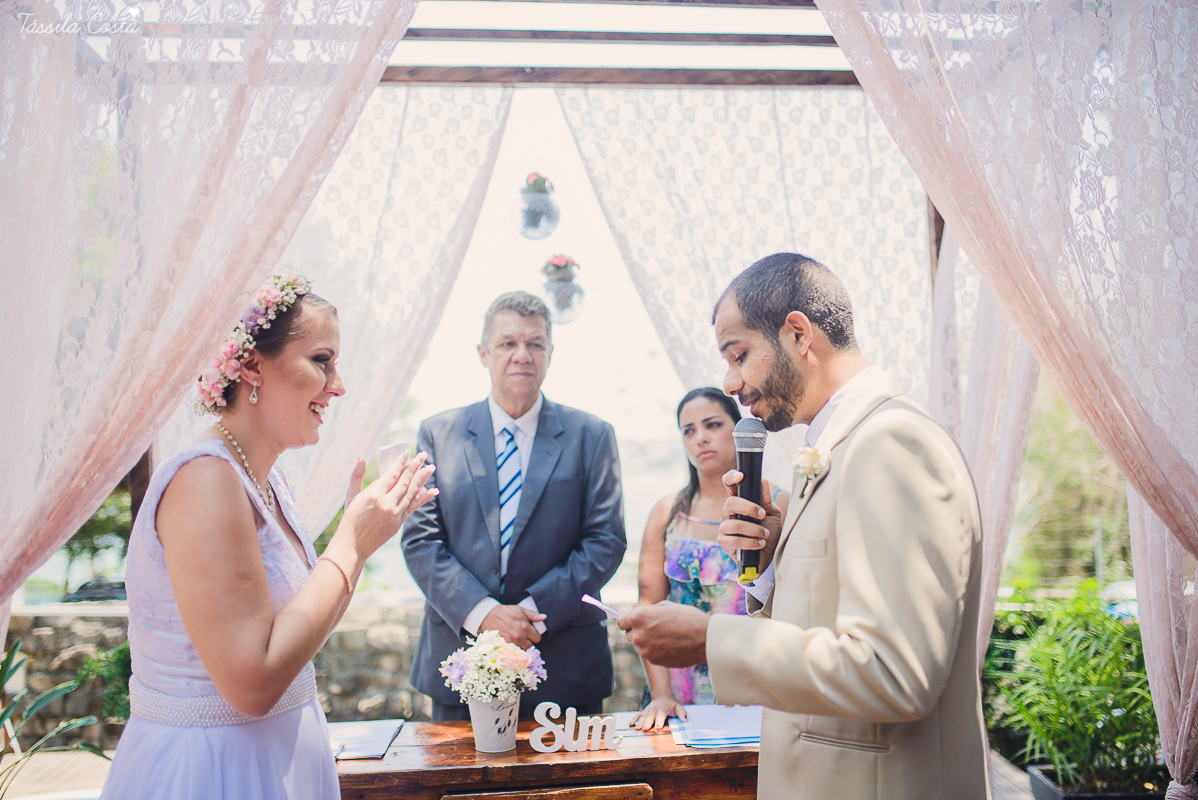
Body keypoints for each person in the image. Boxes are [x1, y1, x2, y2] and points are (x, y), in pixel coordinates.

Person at [617, 253, 990, 800]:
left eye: (739, 355)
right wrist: (770, 569)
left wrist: (710, 638)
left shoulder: (891, 445)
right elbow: (824, 616)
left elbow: (894, 671)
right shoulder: (833, 450)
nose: (731, 382)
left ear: (797, 333)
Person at [102, 271, 437, 800]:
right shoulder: (205, 480)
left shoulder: (265, 479)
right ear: (253, 363)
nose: (339, 384)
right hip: (212, 772)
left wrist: (360, 536)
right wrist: (349, 544)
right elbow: (253, 683)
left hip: (278, 763)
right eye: (321, 361)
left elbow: (295, 634)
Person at [402, 291, 626, 721]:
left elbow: (606, 541)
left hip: (565, 667)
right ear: (484, 353)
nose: (522, 355)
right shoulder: (438, 434)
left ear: (550, 353)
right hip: (460, 666)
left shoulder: (592, 435)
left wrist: (529, 617)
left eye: (535, 344)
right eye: (508, 343)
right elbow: (421, 540)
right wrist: (484, 615)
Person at [629, 387, 788, 731]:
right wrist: (661, 695)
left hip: (754, 685)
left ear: (738, 430)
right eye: (689, 430)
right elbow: (649, 605)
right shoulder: (667, 513)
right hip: (677, 696)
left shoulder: (779, 505)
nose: (700, 438)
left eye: (712, 425)